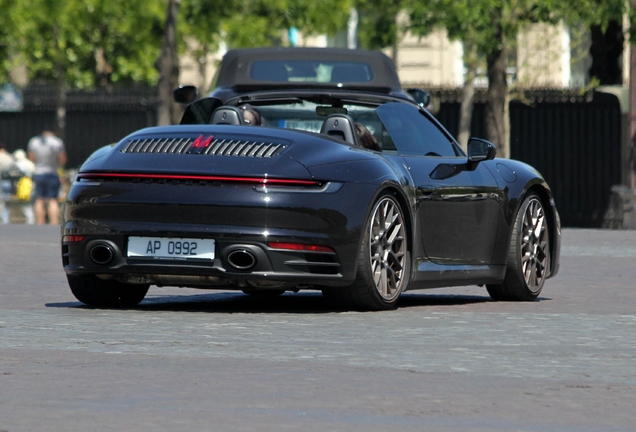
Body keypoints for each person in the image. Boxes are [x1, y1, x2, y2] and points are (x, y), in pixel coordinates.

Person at [27, 128, 67, 225]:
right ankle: (54, 222)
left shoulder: (34, 141)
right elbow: (62, 160)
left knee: (39, 199)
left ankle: (40, 222)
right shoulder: (57, 142)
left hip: (39, 172)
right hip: (52, 172)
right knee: (52, 199)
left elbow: (31, 158)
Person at [0, 143, 16, 224]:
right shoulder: (9, 157)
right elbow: (14, 170)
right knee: (6, 201)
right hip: (6, 181)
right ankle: (5, 219)